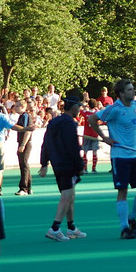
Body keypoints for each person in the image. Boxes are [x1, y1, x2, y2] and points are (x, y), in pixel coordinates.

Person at [88, 79, 136, 240]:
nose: (133, 91)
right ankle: (124, 228)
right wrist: (105, 137)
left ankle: (132, 217)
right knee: (123, 191)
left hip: (135, 154)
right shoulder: (113, 108)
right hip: (120, 156)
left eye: (133, 88)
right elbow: (92, 119)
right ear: (121, 93)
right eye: (129, 90)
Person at [40, 96, 87, 241]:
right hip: (67, 164)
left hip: (57, 164)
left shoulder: (54, 122)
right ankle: (55, 228)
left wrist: (44, 163)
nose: (79, 110)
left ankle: (71, 228)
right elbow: (72, 146)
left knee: (70, 195)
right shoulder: (70, 124)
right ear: (73, 108)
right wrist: (80, 165)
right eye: (78, 107)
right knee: (67, 196)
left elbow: (45, 143)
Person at [13, 100, 35, 196]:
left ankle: (24, 188)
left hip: (25, 143)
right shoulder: (21, 116)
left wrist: (23, 144)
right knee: (24, 164)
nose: (15, 107)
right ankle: (29, 187)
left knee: (24, 164)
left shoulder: (25, 116)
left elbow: (28, 130)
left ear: (22, 107)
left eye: (17, 106)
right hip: (23, 143)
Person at [79, 99, 100, 173]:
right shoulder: (97, 113)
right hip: (95, 134)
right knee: (94, 152)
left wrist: (84, 103)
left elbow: (80, 110)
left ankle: (85, 168)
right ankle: (93, 169)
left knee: (85, 152)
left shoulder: (86, 113)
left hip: (86, 135)